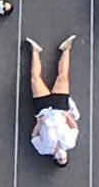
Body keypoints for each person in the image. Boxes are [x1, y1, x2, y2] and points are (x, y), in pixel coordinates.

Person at [25, 36, 79, 166]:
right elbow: (74, 127)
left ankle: (35, 51)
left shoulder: (44, 150)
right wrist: (67, 116)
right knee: (63, 77)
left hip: (43, 111)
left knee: (35, 79)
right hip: (60, 108)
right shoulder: (70, 143)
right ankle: (67, 49)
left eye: (60, 159)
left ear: (55, 158)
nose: (62, 156)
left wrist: (39, 123)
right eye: (64, 158)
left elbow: (34, 136)